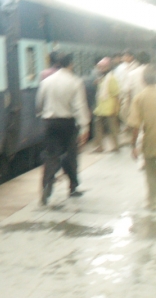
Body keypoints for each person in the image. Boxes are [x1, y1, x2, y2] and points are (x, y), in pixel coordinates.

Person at [35, 53, 90, 205]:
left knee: (51, 156)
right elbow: (80, 106)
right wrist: (85, 127)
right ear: (70, 64)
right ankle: (72, 187)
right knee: (70, 155)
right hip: (67, 123)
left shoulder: (47, 81)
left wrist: (41, 114)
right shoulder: (75, 82)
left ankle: (46, 187)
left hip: (50, 123)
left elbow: (39, 102)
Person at [128, 65, 156, 209]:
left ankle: (153, 202)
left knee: (151, 173)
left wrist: (133, 146)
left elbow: (135, 125)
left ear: (143, 80)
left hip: (151, 141)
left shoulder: (140, 97)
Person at [92, 57, 121, 153]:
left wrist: (116, 108)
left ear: (108, 67)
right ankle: (100, 146)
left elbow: (116, 94)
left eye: (103, 67)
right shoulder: (102, 78)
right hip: (100, 107)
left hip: (109, 107)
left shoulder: (111, 78)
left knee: (112, 128)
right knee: (98, 127)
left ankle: (115, 146)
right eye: (99, 67)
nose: (100, 69)